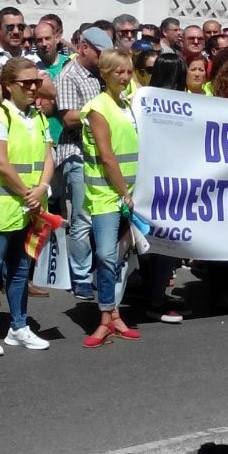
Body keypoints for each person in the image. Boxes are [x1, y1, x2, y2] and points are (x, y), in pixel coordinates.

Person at [0, 58, 55, 356]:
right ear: (8, 86)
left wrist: (41, 188)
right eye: (26, 83)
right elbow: (0, 163)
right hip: (0, 206)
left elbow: (48, 158)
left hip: (29, 206)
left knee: (20, 271)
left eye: (37, 82)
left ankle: (18, 326)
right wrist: (27, 193)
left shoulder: (40, 118)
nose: (33, 88)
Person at [80, 48, 141, 346]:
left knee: (122, 257)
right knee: (105, 255)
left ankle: (114, 314)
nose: (125, 77)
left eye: (128, 71)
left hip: (133, 192)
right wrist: (124, 193)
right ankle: (106, 315)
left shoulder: (130, 105)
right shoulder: (97, 108)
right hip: (108, 193)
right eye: (119, 71)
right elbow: (107, 156)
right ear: (104, 74)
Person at [56, 27, 109, 299]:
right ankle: (80, 276)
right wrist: (101, 113)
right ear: (85, 48)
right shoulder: (69, 75)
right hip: (77, 154)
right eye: (99, 52)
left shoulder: (101, 75)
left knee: (103, 215)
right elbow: (68, 117)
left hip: (101, 155)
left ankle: (102, 271)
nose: (103, 58)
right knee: (82, 218)